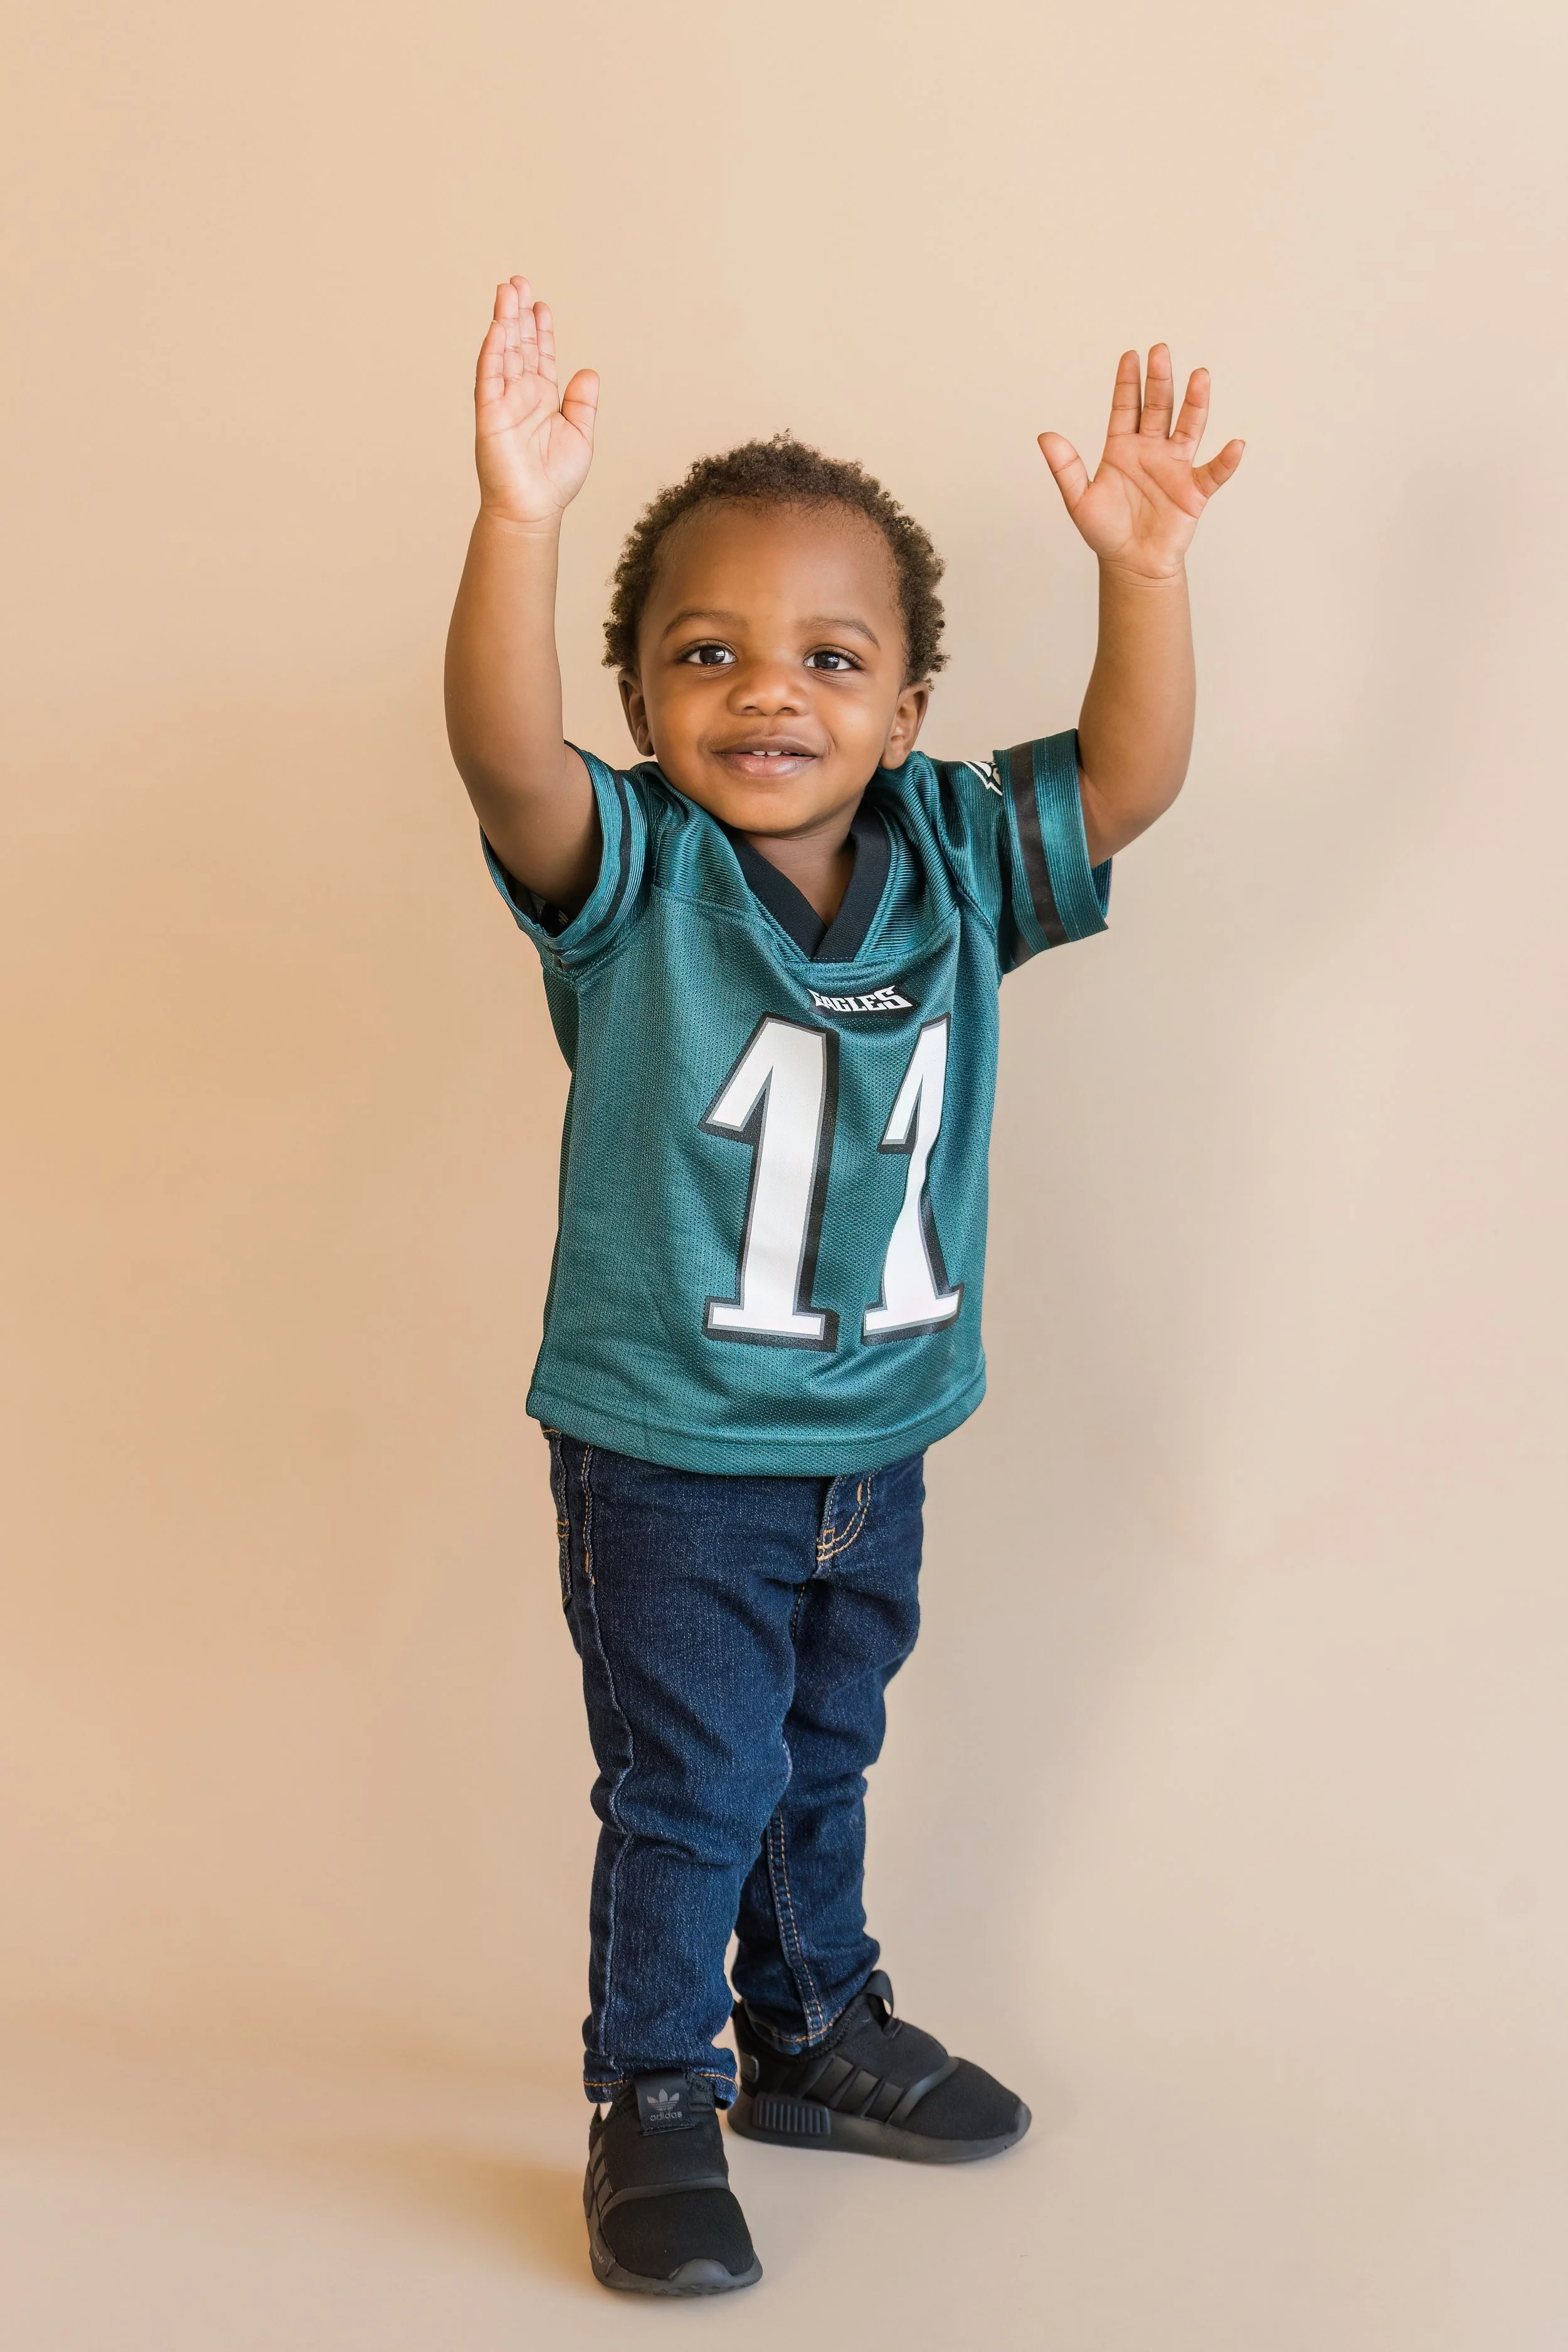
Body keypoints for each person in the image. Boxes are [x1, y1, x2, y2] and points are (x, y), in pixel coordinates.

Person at [444, 275, 1242, 2297]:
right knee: (690, 1774)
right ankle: (650, 2092)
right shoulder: (629, 871)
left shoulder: (960, 854)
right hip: (673, 1445)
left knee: (824, 1741)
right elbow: (496, 757)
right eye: (702, 654)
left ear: (902, 706)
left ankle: (809, 2024)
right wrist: (518, 517)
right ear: (636, 700)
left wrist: (1139, 573)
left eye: (827, 655)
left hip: (873, 1428)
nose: (764, 691)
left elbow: (1129, 779)